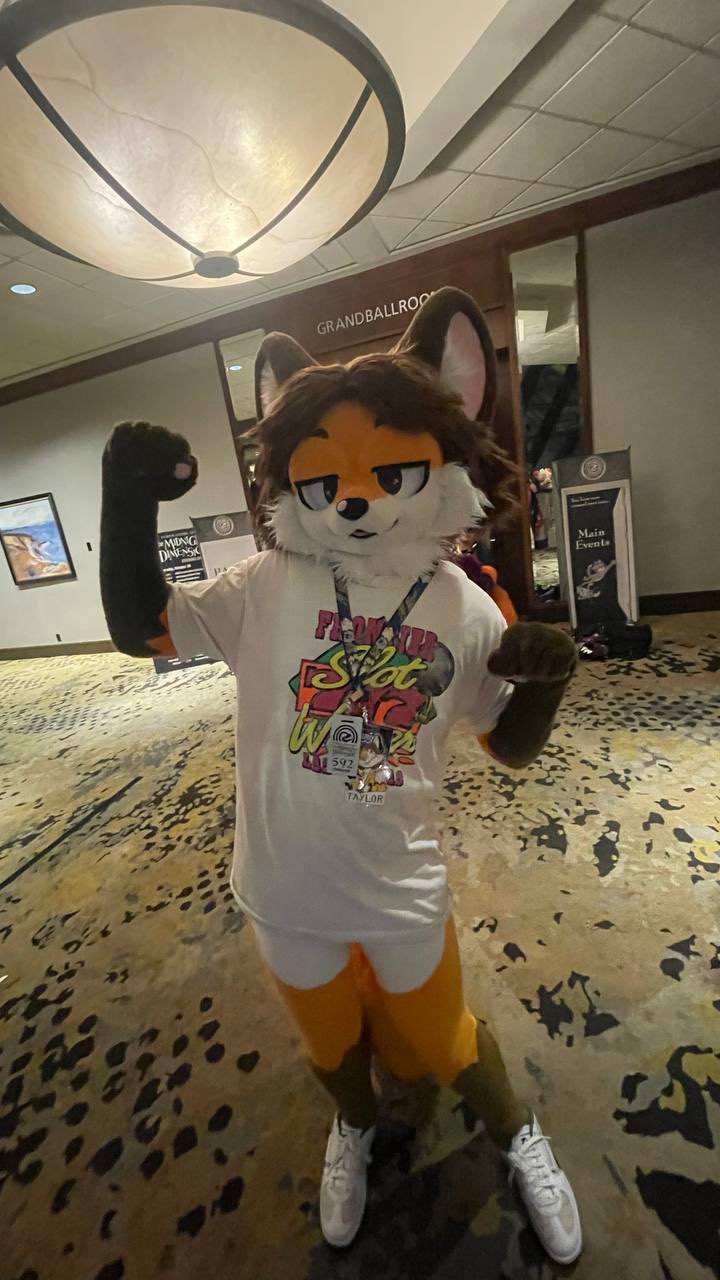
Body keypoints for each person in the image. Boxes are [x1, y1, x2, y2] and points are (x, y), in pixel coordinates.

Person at [99, 288, 582, 1263]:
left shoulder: (461, 606)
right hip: (282, 888)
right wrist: (126, 498)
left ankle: (517, 1133)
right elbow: (141, 628)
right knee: (329, 1045)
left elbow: (509, 744)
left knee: (443, 1041)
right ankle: (353, 1126)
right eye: (325, 481)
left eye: (389, 472)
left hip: (399, 884)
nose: (354, 499)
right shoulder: (263, 583)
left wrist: (546, 683)